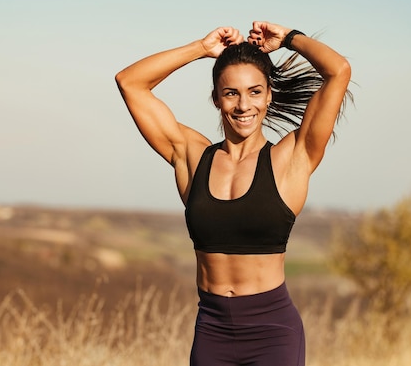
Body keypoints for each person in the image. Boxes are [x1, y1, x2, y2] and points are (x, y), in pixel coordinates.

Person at [114, 21, 351, 366]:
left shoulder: (292, 158)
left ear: (269, 95)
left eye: (255, 92)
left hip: (273, 333)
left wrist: (288, 39)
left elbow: (338, 71)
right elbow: (130, 83)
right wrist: (201, 48)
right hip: (212, 330)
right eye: (231, 93)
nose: (243, 106)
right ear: (216, 99)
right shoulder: (193, 157)